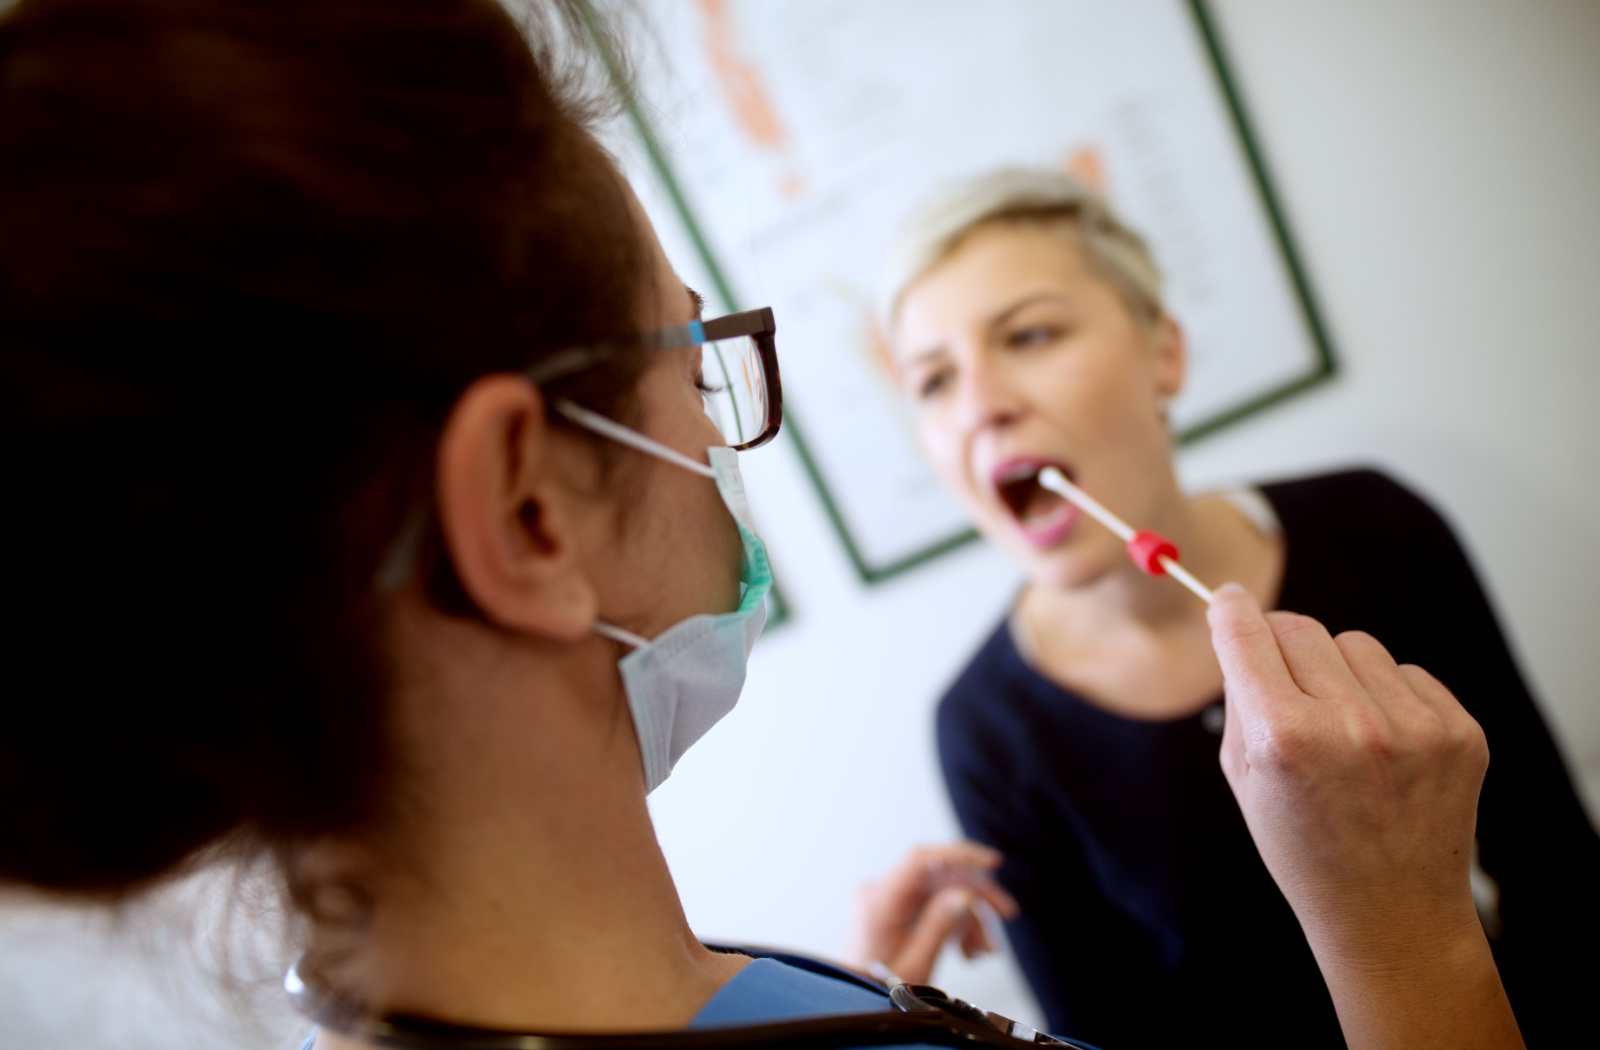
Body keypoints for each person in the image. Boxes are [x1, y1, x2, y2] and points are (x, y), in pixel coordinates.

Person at [0, 3, 1528, 1048]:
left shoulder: (733, 981)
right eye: (686, 353)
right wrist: (1413, 944)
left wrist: (864, 1004)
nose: (726, 441)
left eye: (1036, 336)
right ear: (528, 508)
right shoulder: (988, 728)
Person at [860, 168, 1600, 1048]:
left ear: (1164, 352)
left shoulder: (1378, 525)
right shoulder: (984, 727)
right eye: (934, 382)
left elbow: (1563, 880)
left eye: (1029, 334)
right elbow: (1103, 1037)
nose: (982, 405)